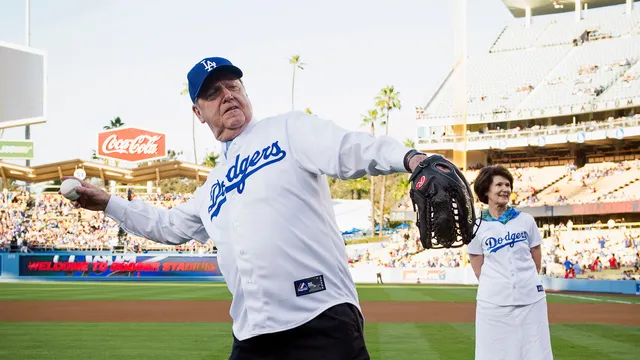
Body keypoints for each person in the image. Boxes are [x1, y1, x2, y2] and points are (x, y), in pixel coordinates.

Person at [64, 56, 431, 360]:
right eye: (213, 92)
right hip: (253, 335)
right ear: (198, 111)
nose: (227, 95)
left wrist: (411, 158)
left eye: (233, 85)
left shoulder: (287, 130)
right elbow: (169, 225)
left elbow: (351, 148)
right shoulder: (212, 185)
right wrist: (109, 203)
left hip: (320, 318)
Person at [466, 165, 553, 360]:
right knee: (494, 352)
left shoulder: (526, 220)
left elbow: (535, 253)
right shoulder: (477, 226)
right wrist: (496, 283)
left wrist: (527, 280)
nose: (505, 189)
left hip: (531, 299)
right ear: (486, 190)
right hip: (493, 302)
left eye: (507, 184)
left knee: (535, 350)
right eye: (499, 185)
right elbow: (477, 261)